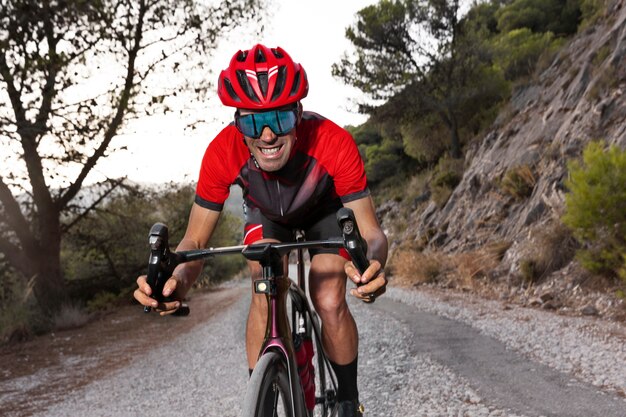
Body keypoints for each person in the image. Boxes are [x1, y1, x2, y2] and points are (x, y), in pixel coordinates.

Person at [133, 44, 388, 417]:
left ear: (298, 114)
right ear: (237, 122)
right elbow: (195, 242)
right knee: (263, 283)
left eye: (280, 119)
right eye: (253, 122)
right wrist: (177, 283)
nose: (267, 135)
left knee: (329, 297)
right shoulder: (222, 151)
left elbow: (372, 232)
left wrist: (375, 264)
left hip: (324, 211)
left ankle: (349, 401)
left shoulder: (334, 141)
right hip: (268, 216)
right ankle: (265, 398)